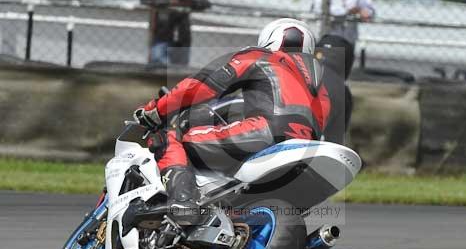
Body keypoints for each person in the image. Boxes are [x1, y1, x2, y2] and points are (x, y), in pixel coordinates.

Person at [130, 18, 331, 223]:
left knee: (170, 138)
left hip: (264, 133)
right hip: (305, 150)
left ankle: (183, 202)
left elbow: (203, 86)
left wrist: (157, 109)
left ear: (270, 38)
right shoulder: (321, 86)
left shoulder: (259, 56)